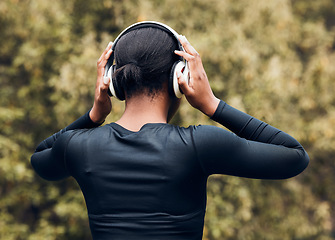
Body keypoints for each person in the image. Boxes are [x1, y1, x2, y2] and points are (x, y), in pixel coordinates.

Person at [31, 22, 309, 240]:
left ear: (113, 84)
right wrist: (212, 104)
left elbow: (41, 159)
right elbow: (294, 156)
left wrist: (94, 115)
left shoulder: (78, 146)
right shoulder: (199, 144)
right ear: (179, 79)